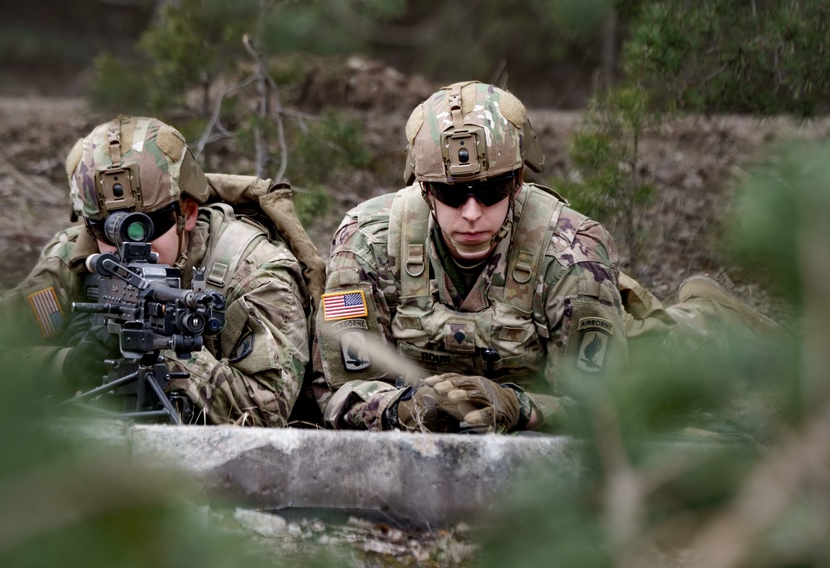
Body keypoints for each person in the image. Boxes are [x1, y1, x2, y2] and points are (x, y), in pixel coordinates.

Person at [312, 80, 782, 434]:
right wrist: (402, 409)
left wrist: (519, 408)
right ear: (424, 189)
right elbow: (338, 388)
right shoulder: (366, 245)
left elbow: (604, 405)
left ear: (517, 182)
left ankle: (708, 316)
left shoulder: (572, 254)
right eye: (452, 195)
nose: (472, 214)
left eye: (492, 190)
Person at [0, 115, 313, 427]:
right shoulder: (75, 259)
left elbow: (269, 410)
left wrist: (168, 350)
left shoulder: (253, 270)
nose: (124, 248)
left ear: (187, 213)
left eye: (145, 225)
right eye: (104, 229)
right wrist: (68, 366)